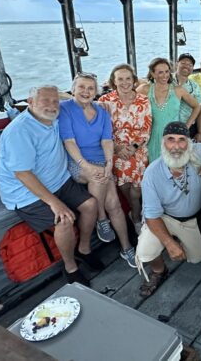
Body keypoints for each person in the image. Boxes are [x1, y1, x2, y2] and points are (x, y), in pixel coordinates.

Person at [0, 85, 102, 286]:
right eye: (45, 100)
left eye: (55, 101)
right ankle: (71, 267)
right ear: (30, 102)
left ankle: (84, 249)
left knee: (91, 205)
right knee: (63, 219)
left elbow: (67, 99)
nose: (52, 106)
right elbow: (22, 174)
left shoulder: (54, 116)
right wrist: (55, 203)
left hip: (58, 180)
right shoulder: (19, 131)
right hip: (25, 192)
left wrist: (59, 95)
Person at [135, 121, 201, 297]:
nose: (176, 146)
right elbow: (152, 215)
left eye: (181, 140)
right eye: (170, 140)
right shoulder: (152, 174)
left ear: (189, 142)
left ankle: (179, 241)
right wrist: (169, 243)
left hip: (192, 219)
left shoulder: (198, 152)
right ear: (163, 143)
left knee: (196, 259)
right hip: (163, 218)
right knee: (145, 251)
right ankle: (159, 271)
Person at [59, 73, 136, 268]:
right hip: (77, 161)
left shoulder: (101, 112)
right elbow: (69, 141)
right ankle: (101, 218)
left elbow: (106, 140)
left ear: (96, 92)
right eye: (82, 87)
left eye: (90, 88)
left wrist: (109, 163)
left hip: (101, 161)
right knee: (98, 178)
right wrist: (87, 165)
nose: (86, 91)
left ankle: (126, 248)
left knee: (115, 204)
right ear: (73, 89)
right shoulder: (65, 109)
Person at [98, 64, 152, 228]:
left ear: (134, 80)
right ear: (114, 81)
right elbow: (100, 131)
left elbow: (146, 129)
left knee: (137, 190)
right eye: (120, 79)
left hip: (138, 147)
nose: (124, 82)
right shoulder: (104, 101)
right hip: (115, 148)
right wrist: (117, 148)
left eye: (128, 78)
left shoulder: (143, 100)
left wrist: (134, 147)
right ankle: (137, 216)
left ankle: (136, 213)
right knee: (125, 185)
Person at [137, 57, 200, 162]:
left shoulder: (178, 90)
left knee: (174, 168)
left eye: (167, 71)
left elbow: (197, 106)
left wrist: (186, 126)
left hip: (174, 136)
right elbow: (129, 98)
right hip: (152, 137)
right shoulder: (145, 89)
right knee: (154, 169)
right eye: (160, 72)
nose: (165, 75)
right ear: (152, 73)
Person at [174, 53, 201, 140]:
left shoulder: (194, 86)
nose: (186, 66)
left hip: (188, 126)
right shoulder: (166, 80)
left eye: (190, 65)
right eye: (183, 63)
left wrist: (200, 132)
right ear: (177, 64)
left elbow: (200, 109)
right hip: (168, 125)